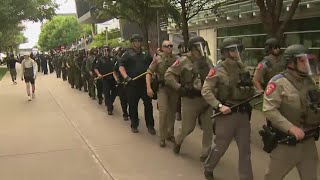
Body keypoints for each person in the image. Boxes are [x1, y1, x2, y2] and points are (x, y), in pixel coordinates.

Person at [262, 44, 320, 180]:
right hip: (286, 143)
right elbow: (270, 110)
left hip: (308, 142)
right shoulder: (278, 82)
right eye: (302, 60)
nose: (306, 64)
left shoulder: (309, 82)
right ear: (291, 62)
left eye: (308, 60)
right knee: (272, 177)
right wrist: (291, 128)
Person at [201, 38, 255, 180]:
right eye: (232, 49)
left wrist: (254, 91)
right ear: (225, 52)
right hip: (226, 114)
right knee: (220, 147)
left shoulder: (243, 68)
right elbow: (206, 90)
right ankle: (209, 167)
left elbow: (249, 88)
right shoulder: (217, 70)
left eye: (238, 49)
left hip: (243, 114)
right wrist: (219, 106)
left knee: (245, 149)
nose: (236, 52)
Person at [165, 36, 213, 161]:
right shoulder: (183, 61)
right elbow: (168, 74)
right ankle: (178, 141)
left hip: (206, 99)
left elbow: (214, 76)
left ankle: (205, 153)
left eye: (203, 47)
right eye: (199, 48)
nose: (201, 51)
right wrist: (179, 87)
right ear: (192, 48)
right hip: (190, 100)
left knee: (208, 128)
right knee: (188, 127)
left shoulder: (207, 61)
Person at [119, 34, 155, 134]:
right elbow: (121, 67)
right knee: (133, 105)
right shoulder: (127, 54)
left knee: (148, 105)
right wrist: (126, 77)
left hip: (144, 83)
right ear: (132, 43)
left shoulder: (145, 54)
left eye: (139, 41)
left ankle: (150, 125)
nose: (137, 43)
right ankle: (134, 124)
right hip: (132, 84)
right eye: (135, 41)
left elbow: (152, 65)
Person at [146, 40, 178, 147]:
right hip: (162, 88)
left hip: (174, 89)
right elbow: (149, 73)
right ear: (162, 48)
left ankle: (170, 134)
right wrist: (149, 88)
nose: (169, 48)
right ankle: (162, 137)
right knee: (163, 112)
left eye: (171, 46)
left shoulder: (177, 59)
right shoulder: (158, 59)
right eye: (167, 46)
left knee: (172, 113)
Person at [95, 46, 117, 115]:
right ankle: (109, 109)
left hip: (113, 78)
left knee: (115, 92)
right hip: (105, 79)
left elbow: (118, 66)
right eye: (104, 51)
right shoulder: (100, 59)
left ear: (109, 51)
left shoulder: (114, 58)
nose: (106, 52)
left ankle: (110, 102)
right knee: (106, 93)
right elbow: (96, 68)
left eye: (107, 50)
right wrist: (98, 74)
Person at [113, 47, 129, 121]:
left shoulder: (130, 60)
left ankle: (133, 115)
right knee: (123, 100)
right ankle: (125, 113)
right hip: (122, 83)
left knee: (131, 100)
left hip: (130, 83)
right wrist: (117, 80)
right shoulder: (119, 61)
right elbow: (114, 72)